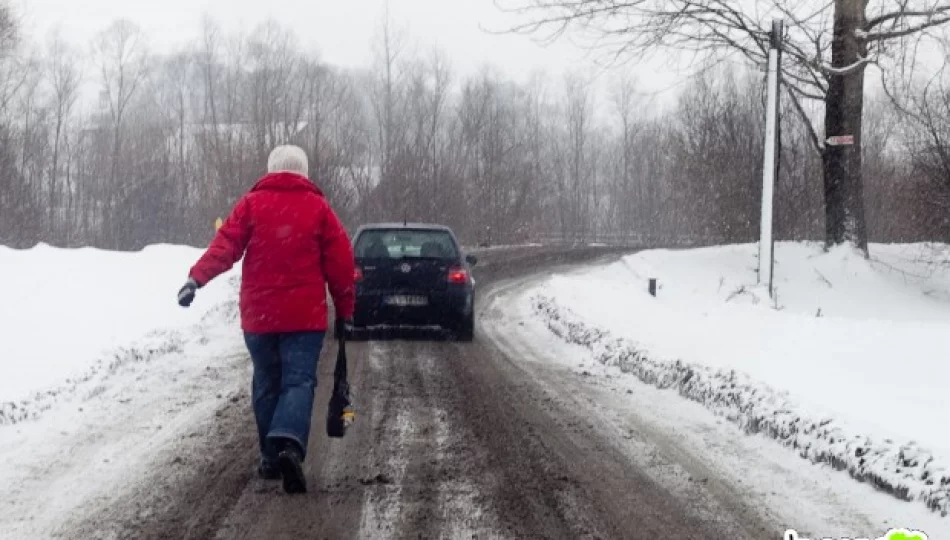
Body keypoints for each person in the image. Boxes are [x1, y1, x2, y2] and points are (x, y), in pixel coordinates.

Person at [177, 145, 355, 494]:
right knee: (299, 381)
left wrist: (195, 279)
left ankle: (271, 458)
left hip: (259, 317)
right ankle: (288, 444)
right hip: (304, 318)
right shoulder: (318, 208)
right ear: (303, 172)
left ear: (270, 170)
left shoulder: (251, 205)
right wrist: (345, 310)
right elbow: (341, 264)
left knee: (267, 382)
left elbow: (225, 245)